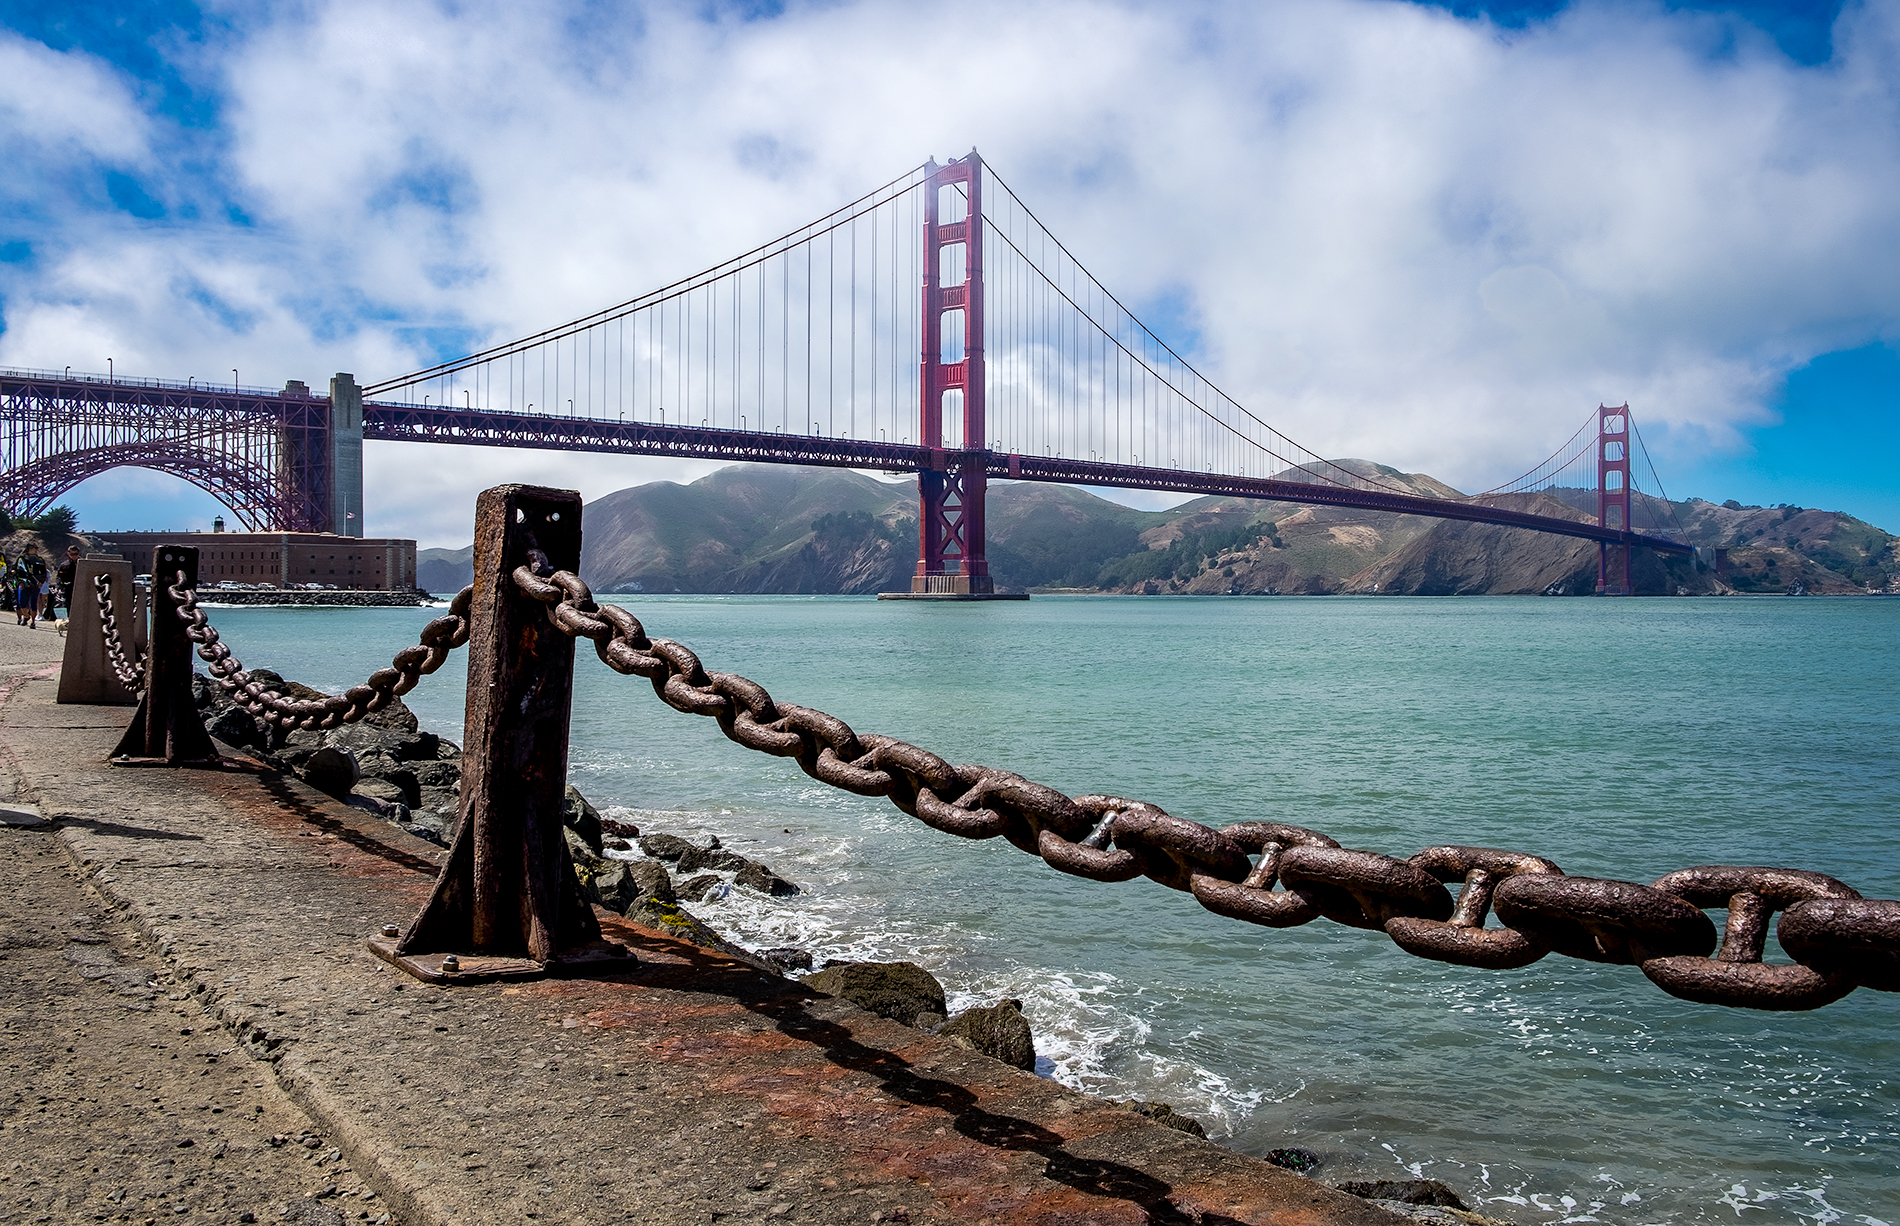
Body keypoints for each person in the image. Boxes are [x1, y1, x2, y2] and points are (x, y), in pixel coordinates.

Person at [12, 544, 47, 628]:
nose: (36, 550)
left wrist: (41, 582)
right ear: (29, 549)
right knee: (22, 601)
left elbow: (43, 572)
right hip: (23, 583)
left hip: (35, 584)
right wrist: (16, 577)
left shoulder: (39, 560)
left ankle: (33, 622)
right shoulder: (21, 558)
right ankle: (26, 615)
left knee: (33, 602)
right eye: (34, 548)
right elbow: (15, 569)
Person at [56, 545, 79, 620]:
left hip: (79, 588)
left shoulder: (82, 564)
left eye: (76, 554)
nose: (74, 556)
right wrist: (59, 588)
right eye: (72, 554)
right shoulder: (64, 565)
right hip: (67, 589)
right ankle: (70, 620)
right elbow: (59, 577)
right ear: (68, 554)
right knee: (67, 605)